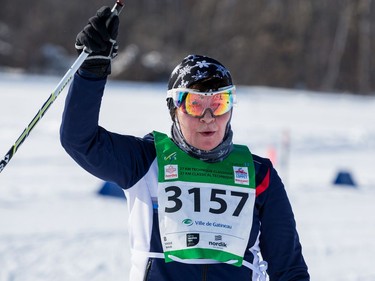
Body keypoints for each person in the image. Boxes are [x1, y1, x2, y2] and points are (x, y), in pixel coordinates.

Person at [60, 6, 310, 281]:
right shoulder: (146, 161)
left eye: (219, 103)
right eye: (194, 104)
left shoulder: (259, 175)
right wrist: (92, 68)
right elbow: (79, 139)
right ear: (174, 109)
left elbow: (289, 269)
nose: (208, 118)